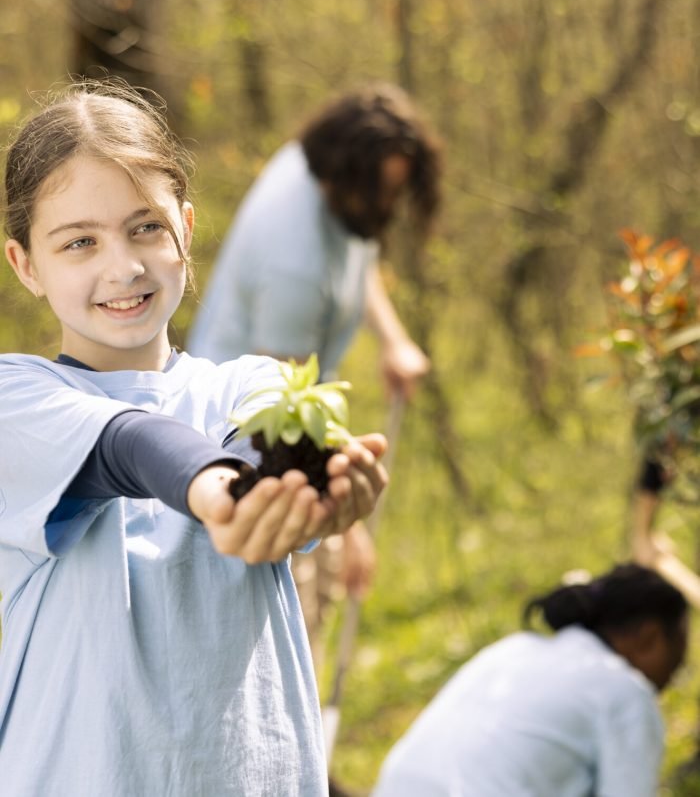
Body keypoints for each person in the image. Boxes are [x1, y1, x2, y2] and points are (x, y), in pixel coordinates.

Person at [0, 80, 388, 797]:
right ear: (26, 265)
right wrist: (223, 496)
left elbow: (268, 441)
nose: (123, 266)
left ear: (185, 227)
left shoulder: (249, 381)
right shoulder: (15, 397)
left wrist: (321, 492)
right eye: (79, 242)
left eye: (145, 227)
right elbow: (130, 445)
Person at [186, 83, 442, 671]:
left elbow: (359, 248)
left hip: (288, 413)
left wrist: (393, 340)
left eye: (398, 190)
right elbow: (282, 421)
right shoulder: (293, 262)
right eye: (384, 191)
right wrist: (347, 527)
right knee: (287, 620)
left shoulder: (315, 169)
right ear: (347, 176)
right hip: (243, 446)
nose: (391, 205)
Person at [372, 563, 689, 797]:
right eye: (679, 650)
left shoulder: (515, 648)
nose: (678, 670)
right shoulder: (626, 692)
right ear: (650, 637)